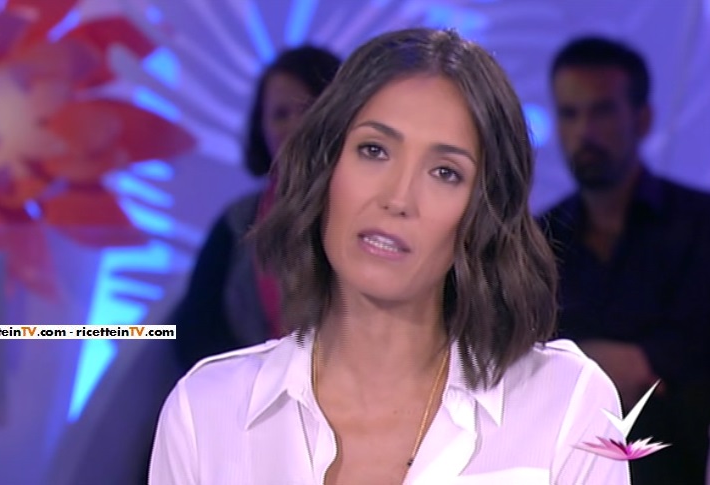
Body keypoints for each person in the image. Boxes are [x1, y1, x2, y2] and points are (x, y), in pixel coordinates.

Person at [149, 27, 629, 484]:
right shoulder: (206, 413)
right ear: (325, 169)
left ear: (482, 215)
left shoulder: (565, 405)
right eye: (374, 150)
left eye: (445, 173)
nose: (398, 198)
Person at [540, 36, 710, 485]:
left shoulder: (701, 225)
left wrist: (644, 362)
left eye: (602, 111)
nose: (585, 132)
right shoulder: (534, 242)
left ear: (642, 118)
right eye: (569, 114)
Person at [166, 46, 341, 371]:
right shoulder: (237, 221)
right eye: (280, 114)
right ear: (261, 129)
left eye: (308, 108)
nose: (294, 126)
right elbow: (195, 333)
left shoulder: (377, 210)